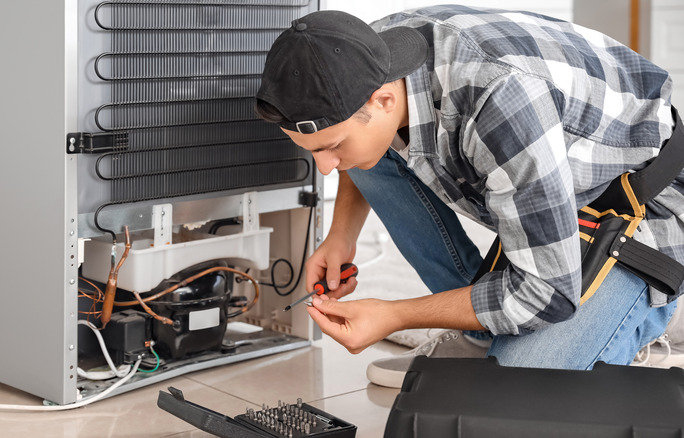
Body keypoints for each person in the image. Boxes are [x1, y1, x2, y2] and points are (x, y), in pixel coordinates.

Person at [255, 5, 684, 386]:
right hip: (550, 177)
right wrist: (341, 234)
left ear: (384, 98)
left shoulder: (502, 100)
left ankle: (643, 314)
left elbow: (546, 293)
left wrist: (396, 313)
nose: (325, 168)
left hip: (642, 207)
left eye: (331, 147)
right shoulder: (365, 54)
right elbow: (362, 140)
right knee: (368, 150)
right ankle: (483, 331)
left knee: (516, 394)